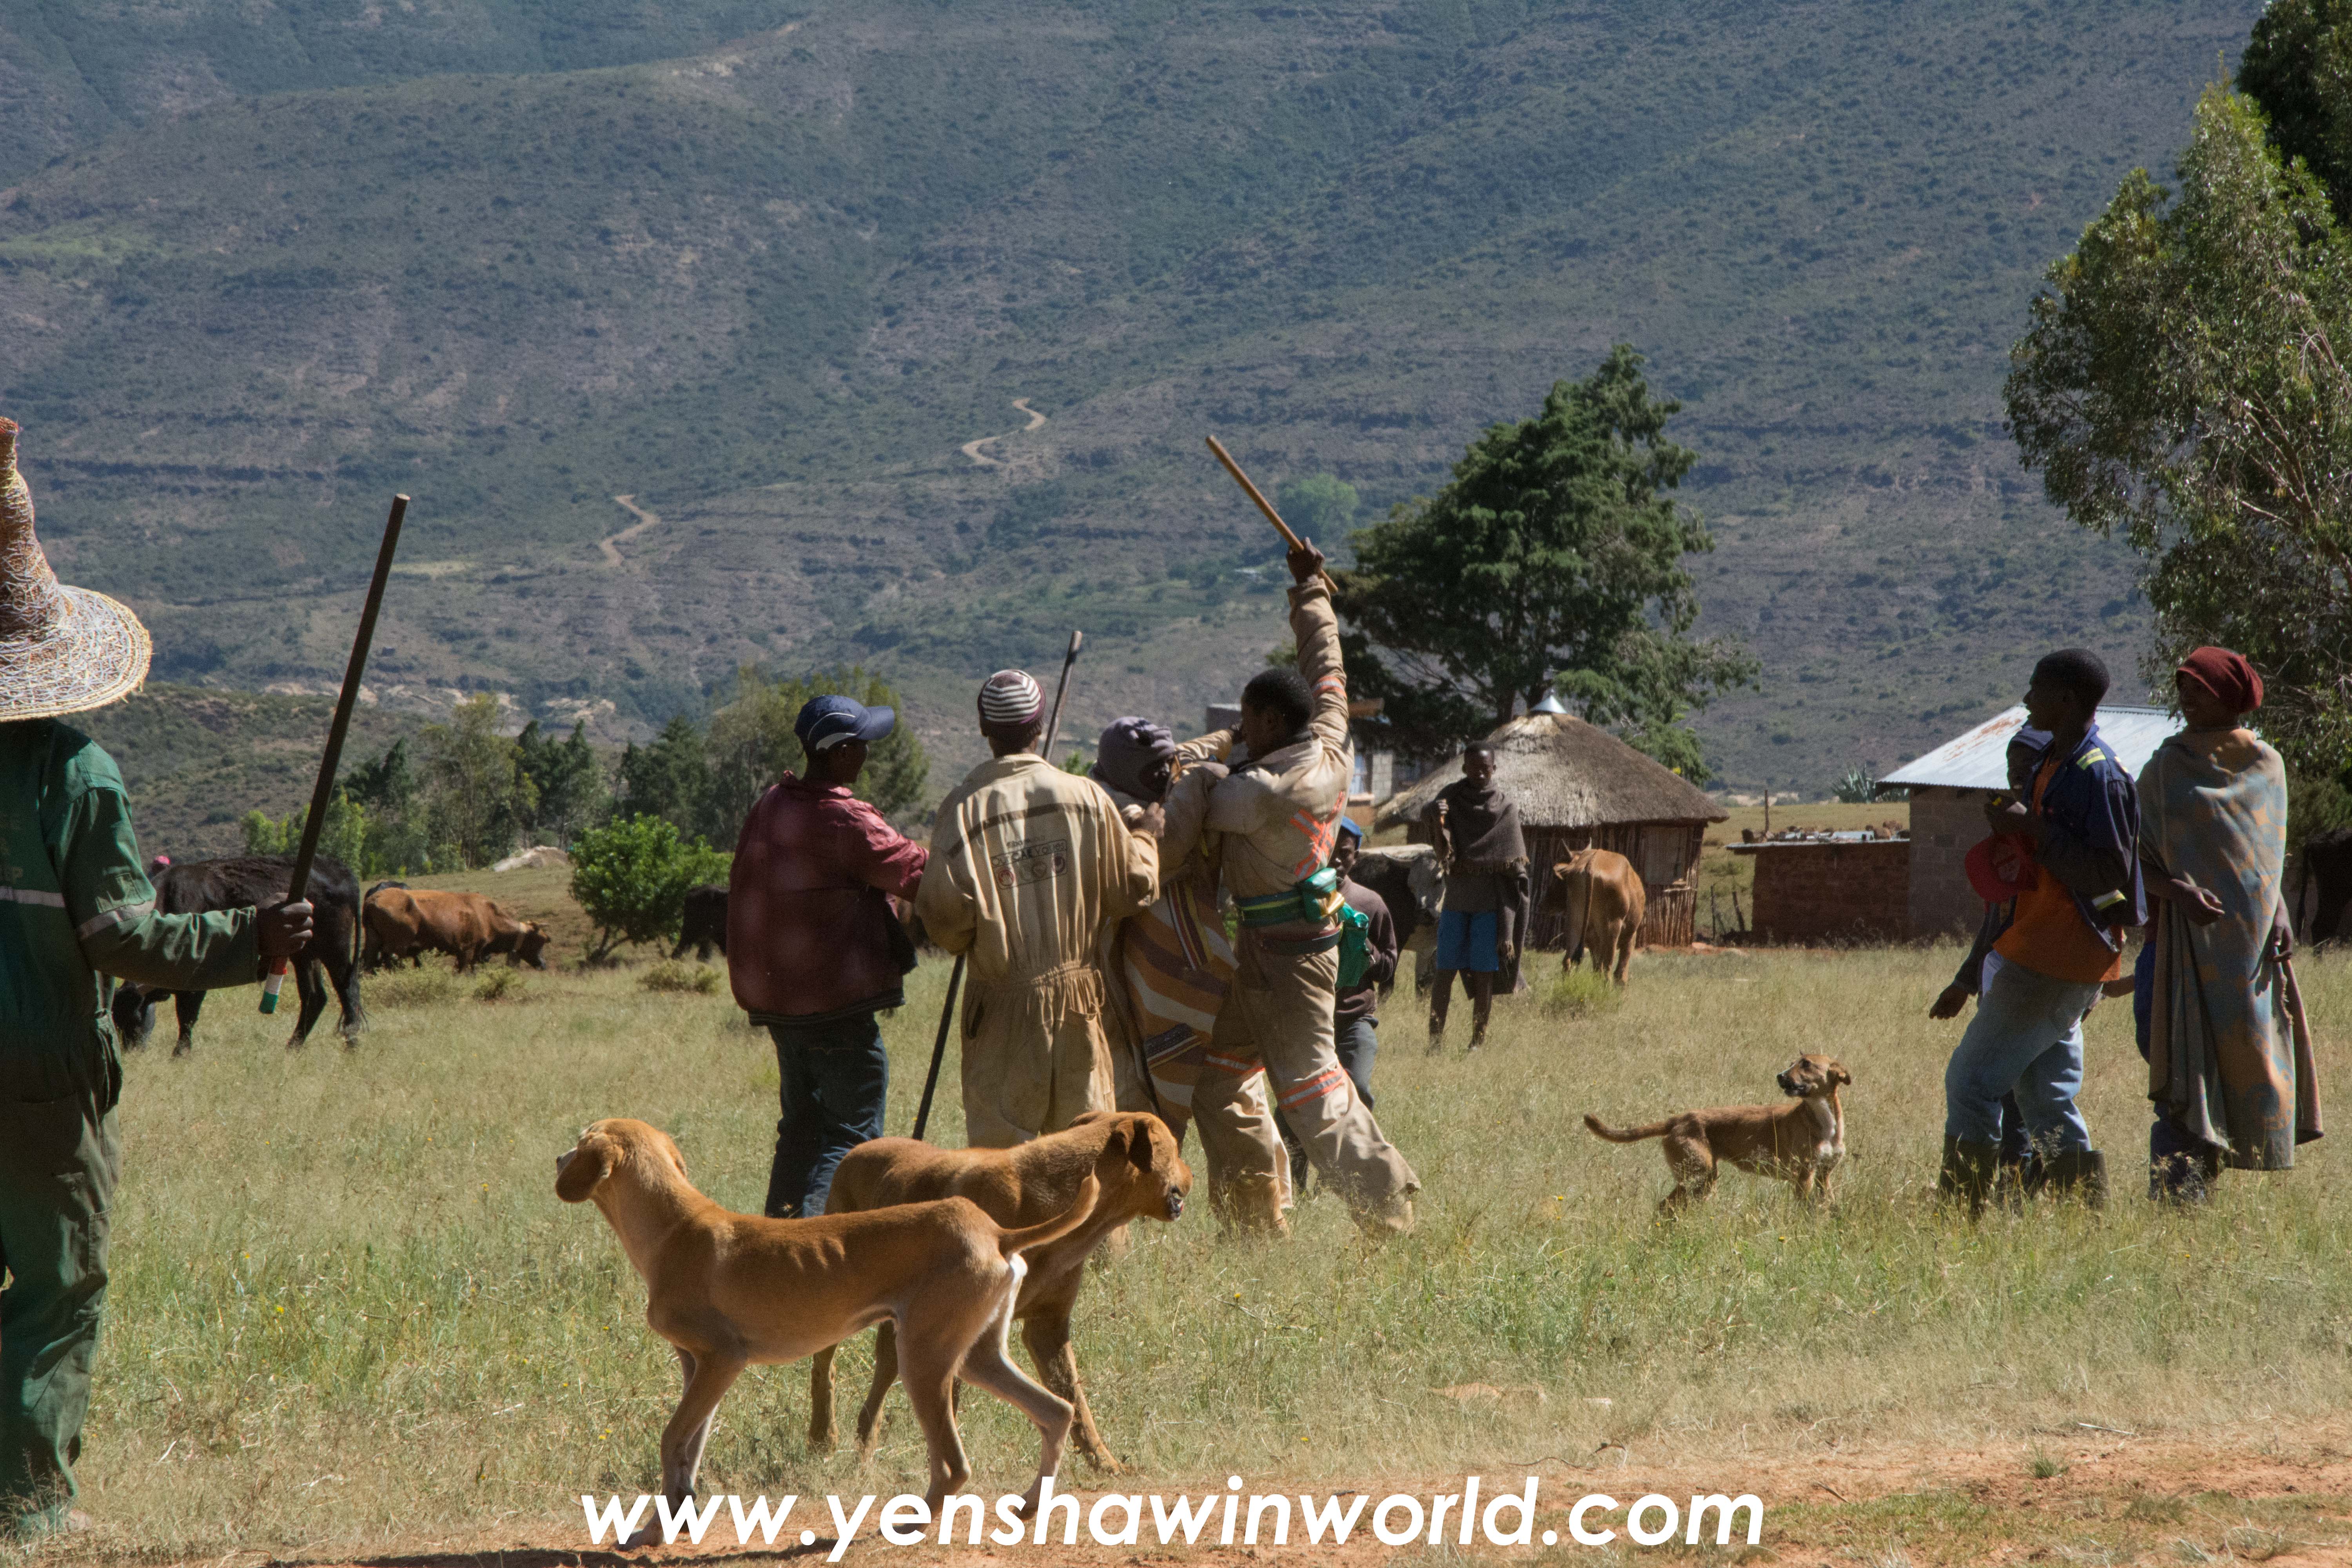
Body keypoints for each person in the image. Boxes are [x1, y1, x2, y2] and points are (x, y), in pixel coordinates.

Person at [0, 415, 314, 1541]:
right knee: (56, 1286)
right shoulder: (75, 778)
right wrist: (254, 939)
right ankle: (29, 1507)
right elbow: (128, 941)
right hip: (40, 1079)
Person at [1173, 537, 1420, 1239]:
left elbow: (1197, 795)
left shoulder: (1259, 791)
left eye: (1248, 720)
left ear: (1272, 723)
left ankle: (1390, 1208)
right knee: (1220, 1078)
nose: (1240, 729)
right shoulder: (1333, 739)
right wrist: (1311, 589)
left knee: (1312, 1091)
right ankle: (1255, 1220)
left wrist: (1203, 753)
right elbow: (1328, 668)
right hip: (1272, 951)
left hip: (1288, 965)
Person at [1937, 648, 2144, 1215]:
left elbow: (2111, 873)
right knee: (2044, 1097)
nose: (2027, 699)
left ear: (2067, 699)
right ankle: (2086, 1217)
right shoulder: (2054, 761)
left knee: (1971, 1082)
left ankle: (1961, 1216)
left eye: (2036, 688)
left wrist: (2033, 829)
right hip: (2041, 944)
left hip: (2057, 953)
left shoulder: (2099, 773)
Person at [916, 671, 1161, 1146]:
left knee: (1003, 1162)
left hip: (1000, 1007)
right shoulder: (1086, 798)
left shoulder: (962, 809)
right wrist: (1146, 837)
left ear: (983, 728)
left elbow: (945, 922)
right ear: (1041, 726)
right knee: (1088, 1151)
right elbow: (1132, 887)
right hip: (1079, 1002)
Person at [726, 693, 928, 1219]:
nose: (867, 753)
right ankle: (813, 1248)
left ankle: (775, 1244)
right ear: (840, 754)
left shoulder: (772, 804)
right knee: (851, 1136)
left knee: (800, 1131)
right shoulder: (846, 820)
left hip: (781, 1009)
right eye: (861, 744)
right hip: (837, 1010)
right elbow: (917, 873)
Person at [1089, 716, 1291, 1226]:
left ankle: (1258, 1222)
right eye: (1156, 770)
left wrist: (1233, 735)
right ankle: (1144, 1218)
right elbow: (1170, 842)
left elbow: (1189, 754)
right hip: (1144, 985)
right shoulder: (1117, 808)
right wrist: (1200, 779)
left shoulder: (1152, 781)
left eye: (1170, 766)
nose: (1167, 775)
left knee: (1226, 1096)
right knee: (1149, 1106)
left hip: (1193, 973)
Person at [2136, 646, 2321, 1201]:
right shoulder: (2166, 767)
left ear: (2230, 696)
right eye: (2183, 687)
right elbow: (2132, 859)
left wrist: (2280, 909)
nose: (2187, 698)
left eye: (2200, 687)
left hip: (2246, 956)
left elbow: (2265, 855)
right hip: (2175, 949)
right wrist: (2178, 891)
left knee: (2236, 1064)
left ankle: (2194, 1195)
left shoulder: (2267, 765)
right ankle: (2178, 1203)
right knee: (2179, 1073)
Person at [1275, 817, 1397, 1196]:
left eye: (1345, 854)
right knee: (1294, 1103)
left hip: (1354, 1020)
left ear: (1356, 857)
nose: (1337, 861)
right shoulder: (1300, 902)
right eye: (1330, 853)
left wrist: (1364, 948)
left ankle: (1338, 1181)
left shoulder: (1369, 904)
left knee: (1357, 1089)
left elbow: (1390, 965)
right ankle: (1293, 1182)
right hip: (1309, 1020)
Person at [1422, 742, 1530, 1052]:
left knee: (1484, 976)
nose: (1480, 774)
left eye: (1486, 768)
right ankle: (1435, 1042)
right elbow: (1429, 822)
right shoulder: (1451, 800)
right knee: (1444, 973)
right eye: (1474, 768)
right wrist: (1433, 812)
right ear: (1464, 768)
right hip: (1456, 902)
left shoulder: (1505, 808)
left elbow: (1514, 857)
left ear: (1494, 769)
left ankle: (1477, 1043)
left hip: (1488, 906)